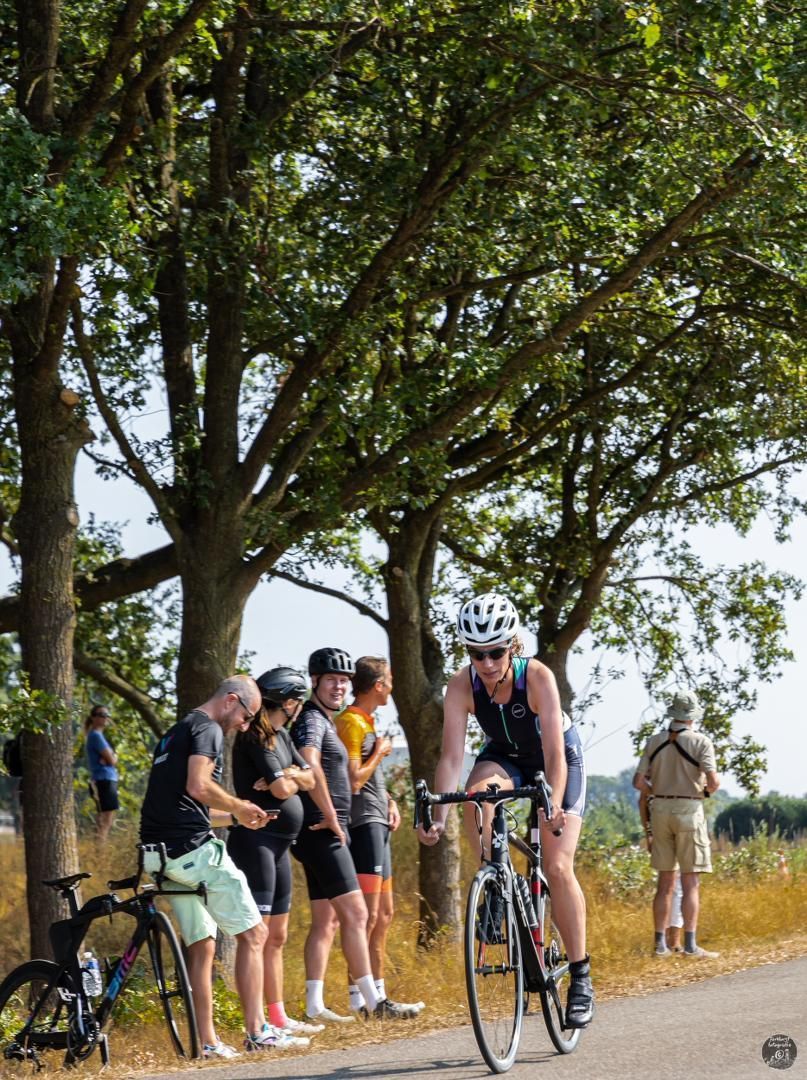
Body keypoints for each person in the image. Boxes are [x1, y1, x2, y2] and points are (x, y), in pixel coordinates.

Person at [417, 593, 593, 1029]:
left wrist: (551, 802)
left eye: (495, 651)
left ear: (512, 645)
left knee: (556, 864)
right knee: (478, 796)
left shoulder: (537, 677)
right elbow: (450, 758)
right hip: (505, 756)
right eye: (477, 653)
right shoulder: (461, 685)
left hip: (556, 758)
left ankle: (581, 976)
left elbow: (553, 751)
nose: (487, 662)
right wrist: (438, 817)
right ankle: (496, 883)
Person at [139, 674, 309, 1058]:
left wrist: (235, 819)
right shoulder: (208, 730)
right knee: (255, 935)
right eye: (247, 715)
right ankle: (259, 1033)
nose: (245, 725)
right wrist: (240, 804)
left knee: (202, 946)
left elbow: (188, 804)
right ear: (231, 700)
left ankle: (208, 1043)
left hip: (160, 855)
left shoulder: (175, 731)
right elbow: (200, 786)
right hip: (195, 853)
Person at [290, 647, 414, 1023]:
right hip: (329, 827)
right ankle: (370, 1002)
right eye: (332, 680)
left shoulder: (326, 720)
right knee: (359, 913)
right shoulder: (320, 721)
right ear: (315, 682)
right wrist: (330, 814)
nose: (339, 687)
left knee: (328, 918)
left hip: (327, 827)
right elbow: (320, 764)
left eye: (343, 681)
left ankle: (315, 1005)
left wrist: (387, 797)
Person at [228, 667, 324, 1038]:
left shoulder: (280, 735)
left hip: (281, 845)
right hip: (257, 844)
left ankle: (278, 1016)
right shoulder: (256, 736)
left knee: (278, 936)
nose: (298, 708)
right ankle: (258, 1023)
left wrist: (287, 774)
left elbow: (309, 779)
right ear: (287, 702)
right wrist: (288, 779)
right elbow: (283, 792)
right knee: (258, 935)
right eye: (297, 702)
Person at [336, 656, 424, 1016]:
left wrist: (389, 800)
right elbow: (354, 779)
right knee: (367, 917)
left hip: (379, 820)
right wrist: (381, 753)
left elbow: (370, 781)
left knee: (384, 915)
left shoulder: (366, 721)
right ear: (378, 686)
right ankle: (360, 999)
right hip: (362, 825)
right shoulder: (350, 722)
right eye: (389, 680)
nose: (392, 686)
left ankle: (378, 994)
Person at [633, 687, 721, 959]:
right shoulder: (701, 742)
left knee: (665, 882)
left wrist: (657, 790)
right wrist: (703, 792)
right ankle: (691, 945)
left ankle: (659, 945)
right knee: (691, 880)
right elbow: (714, 781)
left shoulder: (654, 741)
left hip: (659, 808)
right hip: (689, 808)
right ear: (692, 716)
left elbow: (638, 782)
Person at [638, 788, 684, 952]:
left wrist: (649, 833)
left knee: (674, 885)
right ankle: (668, 942)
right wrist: (649, 833)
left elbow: (642, 801)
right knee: (671, 884)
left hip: (667, 824)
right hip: (669, 826)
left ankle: (669, 941)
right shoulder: (658, 768)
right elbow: (643, 800)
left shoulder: (657, 764)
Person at [85, 705, 119, 842]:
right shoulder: (95, 736)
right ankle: (100, 851)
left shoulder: (98, 736)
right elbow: (111, 760)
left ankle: (99, 849)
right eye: (101, 714)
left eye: (106, 714)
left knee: (104, 819)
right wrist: (113, 756)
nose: (105, 717)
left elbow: (109, 759)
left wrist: (110, 758)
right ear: (93, 717)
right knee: (105, 820)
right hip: (104, 779)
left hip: (106, 779)